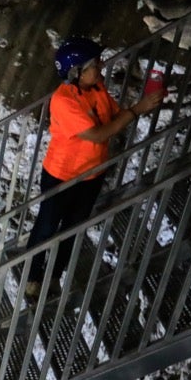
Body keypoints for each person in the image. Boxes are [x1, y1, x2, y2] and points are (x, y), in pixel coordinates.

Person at [24, 36, 166, 303]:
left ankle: (54, 275)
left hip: (90, 175)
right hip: (61, 176)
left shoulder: (96, 89)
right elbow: (99, 134)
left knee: (72, 227)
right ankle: (34, 277)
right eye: (94, 65)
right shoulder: (64, 101)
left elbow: (113, 116)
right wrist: (137, 110)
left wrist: (144, 102)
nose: (100, 68)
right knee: (46, 228)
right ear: (76, 72)